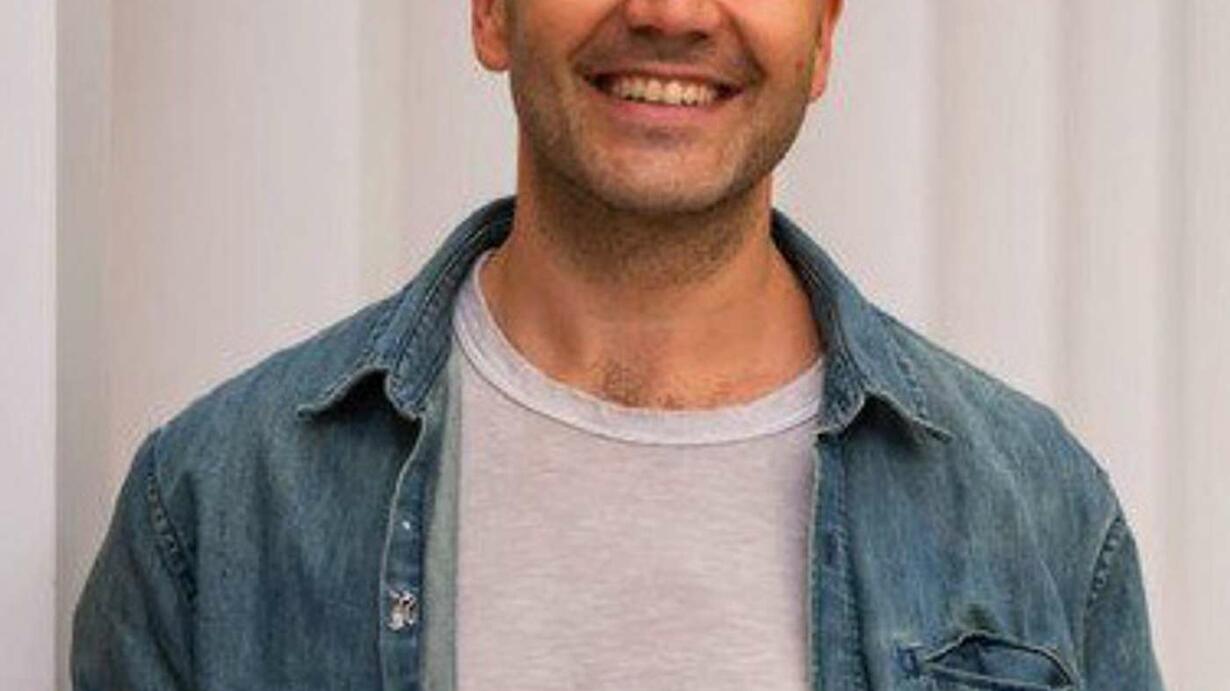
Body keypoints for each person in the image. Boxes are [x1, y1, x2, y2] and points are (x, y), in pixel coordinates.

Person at [72, 1, 1165, 689]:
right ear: (490, 12)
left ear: (825, 35)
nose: (671, 13)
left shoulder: (1038, 513)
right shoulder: (216, 506)